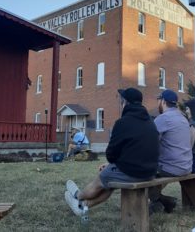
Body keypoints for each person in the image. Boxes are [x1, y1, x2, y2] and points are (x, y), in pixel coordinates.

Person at [64, 87, 159, 216]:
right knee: (110, 179)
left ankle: (78, 196)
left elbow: (111, 154)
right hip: (150, 172)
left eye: (121, 100)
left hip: (134, 172)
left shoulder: (122, 123)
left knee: (102, 179)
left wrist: (111, 165)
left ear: (125, 102)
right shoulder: (151, 122)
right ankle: (83, 206)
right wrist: (113, 165)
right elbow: (136, 151)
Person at [149, 89, 193, 213]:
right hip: (187, 166)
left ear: (163, 101)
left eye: (158, 100)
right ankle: (162, 202)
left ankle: (161, 202)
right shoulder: (183, 118)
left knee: (140, 172)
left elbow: (150, 143)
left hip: (172, 168)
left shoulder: (163, 118)